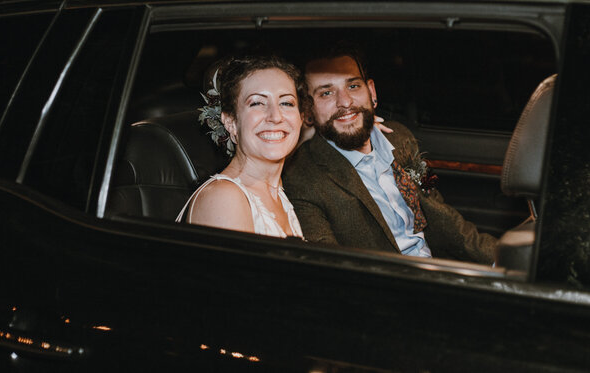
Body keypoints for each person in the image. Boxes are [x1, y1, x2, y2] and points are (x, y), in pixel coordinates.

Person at [283, 46, 497, 264]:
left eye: (353, 86)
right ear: (308, 110)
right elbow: (334, 268)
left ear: (372, 92)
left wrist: (497, 257)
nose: (345, 102)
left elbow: (436, 202)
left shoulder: (401, 138)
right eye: (326, 93)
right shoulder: (301, 178)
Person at [176, 54, 305, 239]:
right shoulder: (223, 198)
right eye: (257, 103)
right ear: (231, 122)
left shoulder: (277, 193)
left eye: (286, 103)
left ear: (301, 118)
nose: (275, 116)